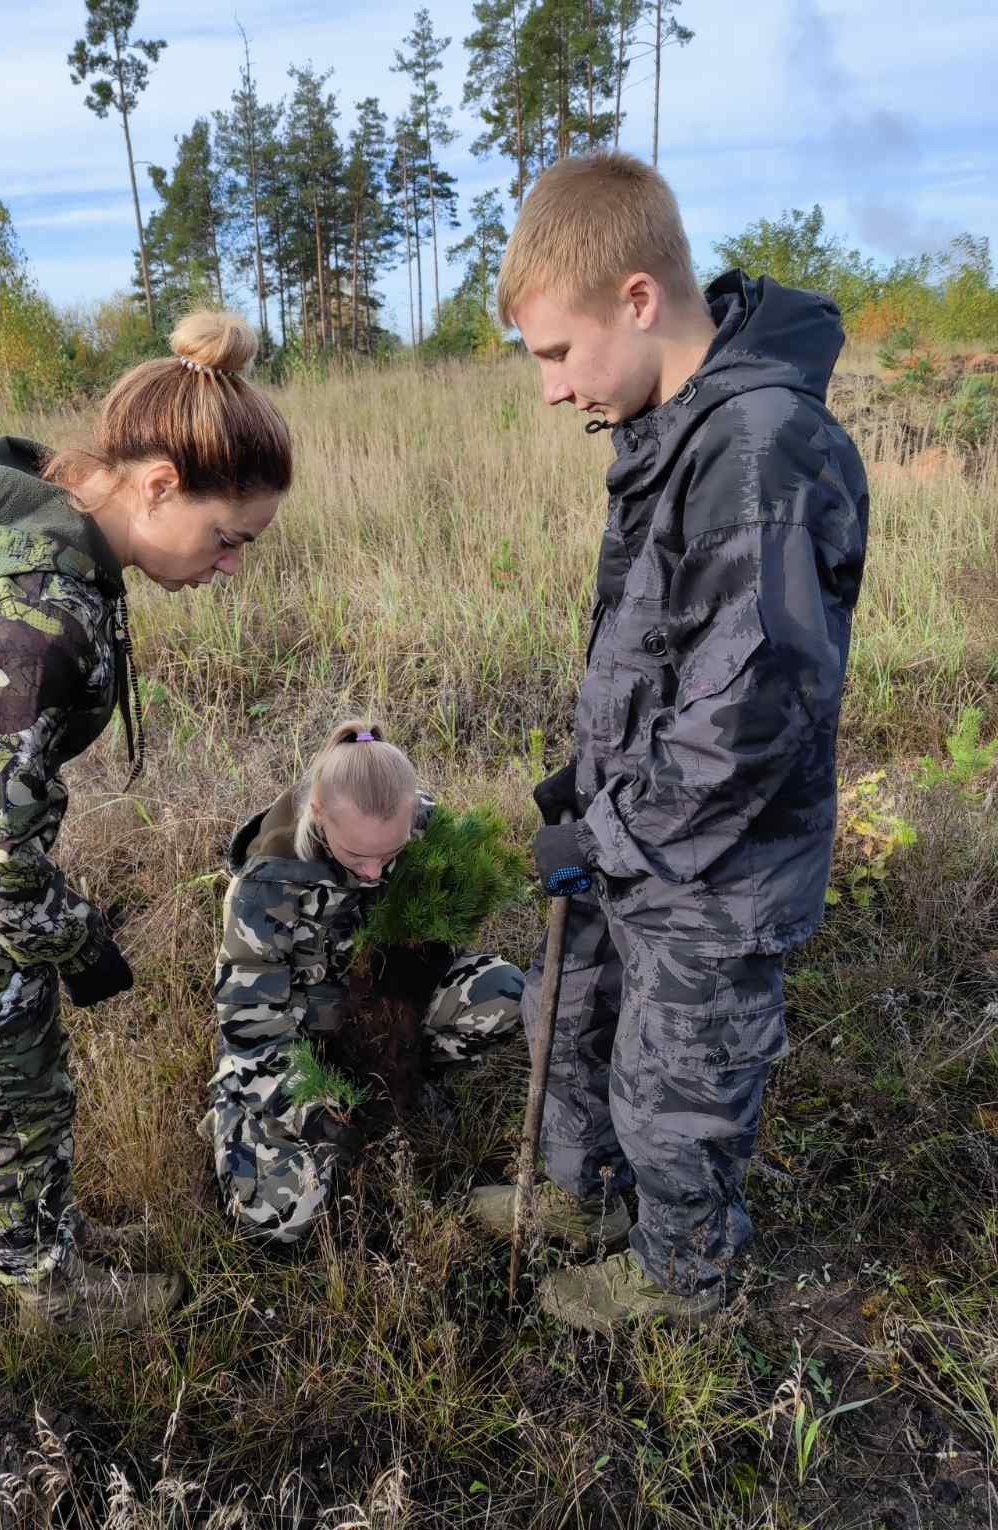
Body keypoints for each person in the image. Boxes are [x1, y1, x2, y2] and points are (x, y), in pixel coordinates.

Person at [0, 311, 292, 1332]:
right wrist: (79, 944)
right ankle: (48, 1291)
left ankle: (46, 1238)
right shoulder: (43, 613)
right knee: (12, 1088)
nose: (228, 568)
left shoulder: (34, 504)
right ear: (160, 483)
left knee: (8, 1078)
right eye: (226, 540)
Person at [468, 152, 868, 1331]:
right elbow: (664, 647)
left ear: (638, 301)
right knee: (576, 1012)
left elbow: (754, 708)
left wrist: (618, 827)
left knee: (677, 1079)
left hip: (716, 859)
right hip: (634, 824)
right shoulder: (674, 428)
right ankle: (584, 1201)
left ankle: (681, 1277)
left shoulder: (763, 447)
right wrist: (583, 791)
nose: (548, 389)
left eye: (555, 352)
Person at [207, 719, 525, 1244]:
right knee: (282, 1222)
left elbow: (445, 904)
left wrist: (422, 958)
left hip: (384, 1015)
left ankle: (398, 1085)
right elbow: (252, 1033)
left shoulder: (413, 819)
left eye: (391, 855)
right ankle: (238, 1120)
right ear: (318, 816)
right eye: (358, 857)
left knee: (503, 993)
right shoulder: (266, 891)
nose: (376, 873)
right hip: (299, 1050)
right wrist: (312, 1114)